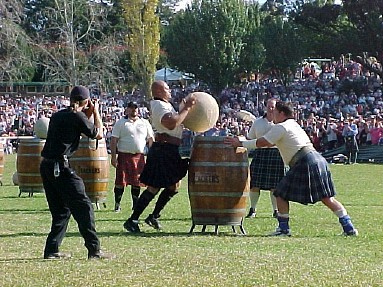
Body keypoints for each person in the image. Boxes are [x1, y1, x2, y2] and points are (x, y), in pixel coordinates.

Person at [225, 101, 358, 237]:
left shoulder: (281, 127)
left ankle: (283, 229)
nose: (273, 115)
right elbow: (269, 144)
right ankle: (349, 227)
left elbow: (263, 142)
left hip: (304, 161)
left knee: (280, 193)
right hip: (316, 159)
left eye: (275, 112)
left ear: (282, 113)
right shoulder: (293, 124)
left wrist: (240, 143)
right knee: (327, 198)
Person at [40, 85, 115, 259]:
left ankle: (52, 250)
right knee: (84, 207)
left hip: (46, 167)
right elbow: (98, 134)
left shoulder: (58, 115)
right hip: (61, 167)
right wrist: (96, 112)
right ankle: (94, 250)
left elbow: (79, 125)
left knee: (61, 211)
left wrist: (86, 113)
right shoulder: (77, 116)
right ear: (86, 101)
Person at [123, 80, 196, 233]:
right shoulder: (159, 105)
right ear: (159, 91)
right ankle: (133, 220)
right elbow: (170, 123)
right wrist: (187, 108)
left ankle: (153, 216)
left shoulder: (166, 105)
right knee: (154, 186)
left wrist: (185, 111)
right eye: (167, 88)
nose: (170, 91)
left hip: (170, 149)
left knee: (173, 185)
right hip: (163, 149)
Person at [110, 101, 154, 212]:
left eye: (135, 107)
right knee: (120, 182)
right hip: (124, 156)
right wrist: (113, 157)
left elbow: (150, 139)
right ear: (127, 109)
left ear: (138, 109)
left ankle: (135, 204)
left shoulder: (144, 123)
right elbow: (114, 140)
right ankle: (117, 204)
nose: (134, 110)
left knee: (137, 182)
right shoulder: (121, 123)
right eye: (131, 107)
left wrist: (152, 156)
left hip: (139, 157)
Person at [245, 99, 285, 219]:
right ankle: (253, 209)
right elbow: (250, 138)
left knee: (274, 186)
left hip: (275, 155)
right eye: (268, 106)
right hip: (260, 153)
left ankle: (275, 210)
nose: (270, 109)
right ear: (265, 107)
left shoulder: (281, 124)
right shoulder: (257, 122)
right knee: (254, 184)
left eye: (273, 107)